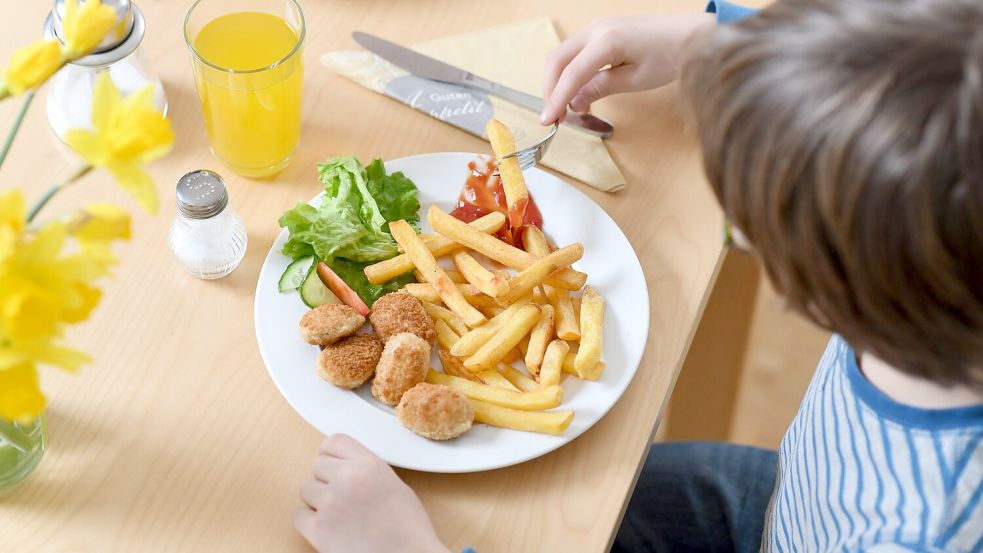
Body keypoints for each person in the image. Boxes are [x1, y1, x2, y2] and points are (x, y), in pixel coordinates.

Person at [292, 1, 983, 551]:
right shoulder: (938, 275)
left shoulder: (915, 532)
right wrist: (715, 41)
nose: (737, 234)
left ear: (836, 285)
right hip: (790, 502)